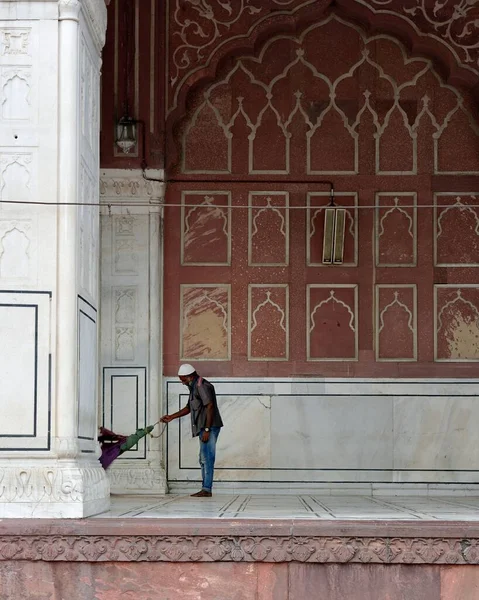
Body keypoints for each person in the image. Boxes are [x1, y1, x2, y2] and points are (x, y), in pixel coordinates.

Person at [161, 364, 223, 497]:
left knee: (207, 458)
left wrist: (207, 429)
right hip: (204, 427)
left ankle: (206, 489)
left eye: (183, 380)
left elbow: (210, 407)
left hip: (209, 427)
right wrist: (171, 417)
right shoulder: (194, 386)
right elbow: (189, 408)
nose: (182, 383)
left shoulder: (201, 386)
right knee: (203, 458)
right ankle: (205, 488)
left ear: (190, 376)